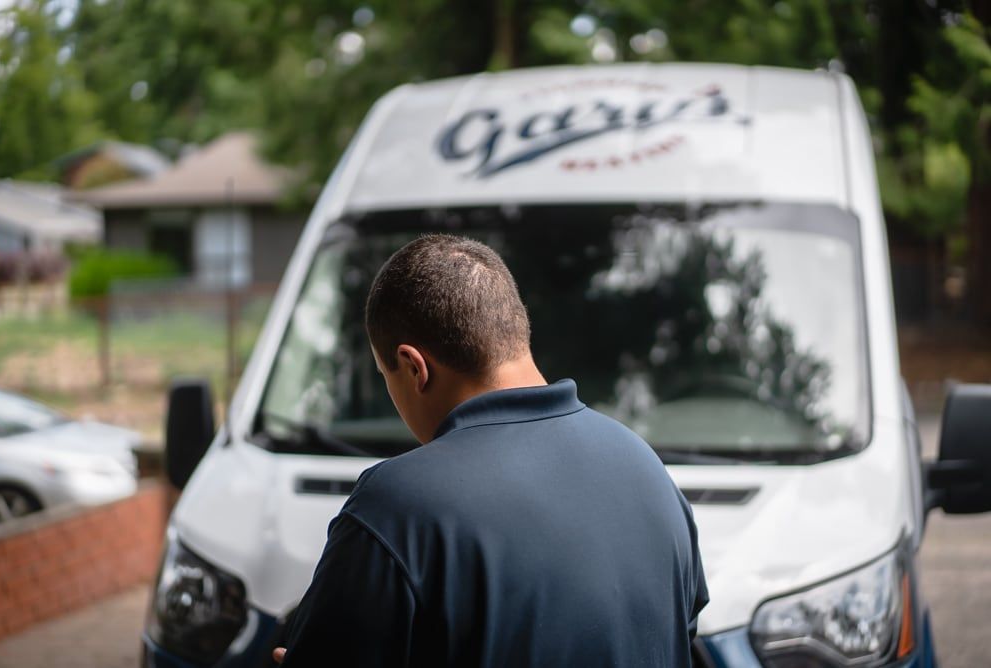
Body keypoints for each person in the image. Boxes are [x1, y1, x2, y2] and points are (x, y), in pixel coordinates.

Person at [275, 234, 708, 667]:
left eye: (384, 376)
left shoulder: (398, 505)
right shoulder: (648, 470)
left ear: (413, 367)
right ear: (514, 334)